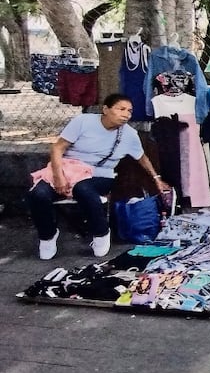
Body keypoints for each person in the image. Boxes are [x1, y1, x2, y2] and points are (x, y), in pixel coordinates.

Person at [27, 93, 167, 260]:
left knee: (83, 188)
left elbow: (142, 158)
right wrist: (58, 177)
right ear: (106, 109)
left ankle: (101, 232)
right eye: (121, 109)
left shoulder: (129, 134)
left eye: (129, 111)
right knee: (38, 194)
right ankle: (47, 236)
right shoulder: (83, 122)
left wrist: (156, 178)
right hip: (66, 171)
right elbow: (57, 148)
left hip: (100, 175)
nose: (126, 115)